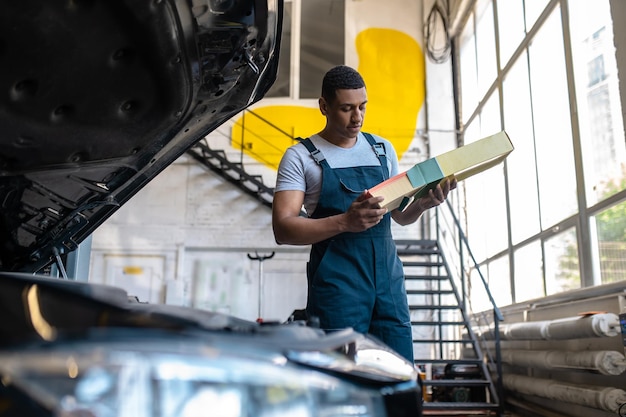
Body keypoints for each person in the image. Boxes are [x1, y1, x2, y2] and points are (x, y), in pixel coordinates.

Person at [272, 65, 456, 363]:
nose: (356, 117)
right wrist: (345, 221)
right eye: (346, 108)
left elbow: (399, 216)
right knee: (341, 376)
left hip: (388, 282)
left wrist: (422, 203)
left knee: (399, 372)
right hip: (337, 287)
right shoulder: (301, 157)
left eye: (362, 107)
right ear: (324, 107)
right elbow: (283, 228)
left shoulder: (383, 149)